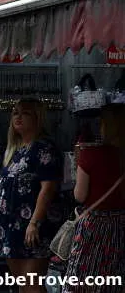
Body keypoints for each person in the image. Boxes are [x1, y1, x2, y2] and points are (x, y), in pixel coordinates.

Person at [0, 99, 62, 293]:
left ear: (37, 118)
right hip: (9, 228)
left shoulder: (44, 148)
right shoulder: (17, 149)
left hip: (31, 226)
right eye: (15, 113)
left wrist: (34, 223)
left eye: (25, 113)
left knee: (32, 284)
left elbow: (48, 187)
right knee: (24, 285)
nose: (18, 117)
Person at [64, 104, 125, 292]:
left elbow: (79, 196)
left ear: (105, 125)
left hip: (95, 227)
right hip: (121, 225)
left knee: (85, 277)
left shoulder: (91, 154)